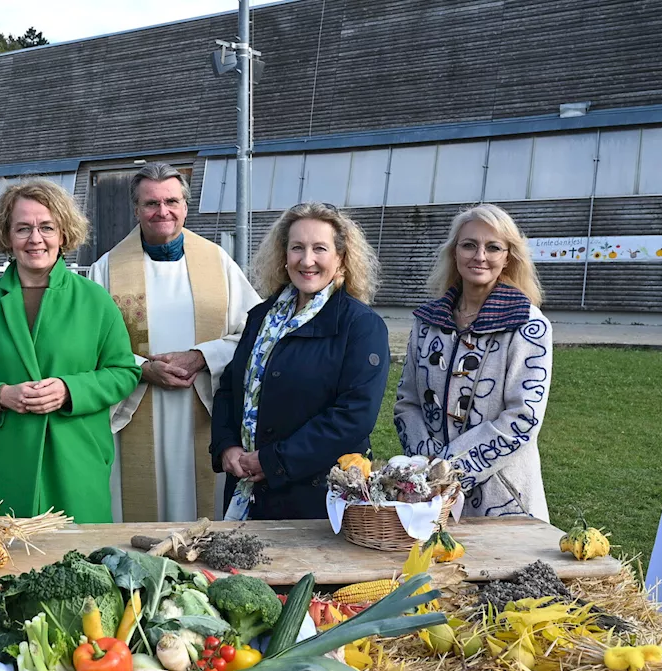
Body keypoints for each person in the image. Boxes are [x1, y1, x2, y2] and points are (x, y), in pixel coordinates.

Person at [0, 179, 140, 523]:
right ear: (7, 235)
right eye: (23, 228)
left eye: (47, 227)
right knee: (5, 568)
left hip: (75, 459)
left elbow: (124, 372)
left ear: (63, 234)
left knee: (80, 567)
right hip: (3, 463)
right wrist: (0, 395)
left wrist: (68, 390)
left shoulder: (95, 300)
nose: (35, 239)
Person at [88, 163, 261, 523]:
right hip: (135, 409)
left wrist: (201, 356)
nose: (162, 211)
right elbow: (92, 344)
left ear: (185, 205)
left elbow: (253, 331)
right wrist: (143, 368)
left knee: (202, 508)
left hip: (202, 406)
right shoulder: (106, 269)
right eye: (151, 203)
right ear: (136, 209)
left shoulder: (218, 263)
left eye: (171, 201)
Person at [210, 203, 390, 521]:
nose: (307, 261)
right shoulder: (260, 317)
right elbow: (229, 387)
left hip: (318, 500)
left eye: (319, 248)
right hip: (247, 492)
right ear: (284, 255)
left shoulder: (360, 325)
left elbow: (353, 417)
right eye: (297, 248)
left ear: (341, 257)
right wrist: (226, 446)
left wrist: (272, 461)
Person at [394, 203, 552, 520]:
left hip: (504, 501)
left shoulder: (529, 326)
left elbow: (523, 418)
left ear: (508, 256)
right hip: (430, 499)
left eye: (493, 247)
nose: (479, 256)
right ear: (454, 252)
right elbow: (406, 403)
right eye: (469, 245)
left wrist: (450, 468)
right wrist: (429, 469)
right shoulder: (427, 322)